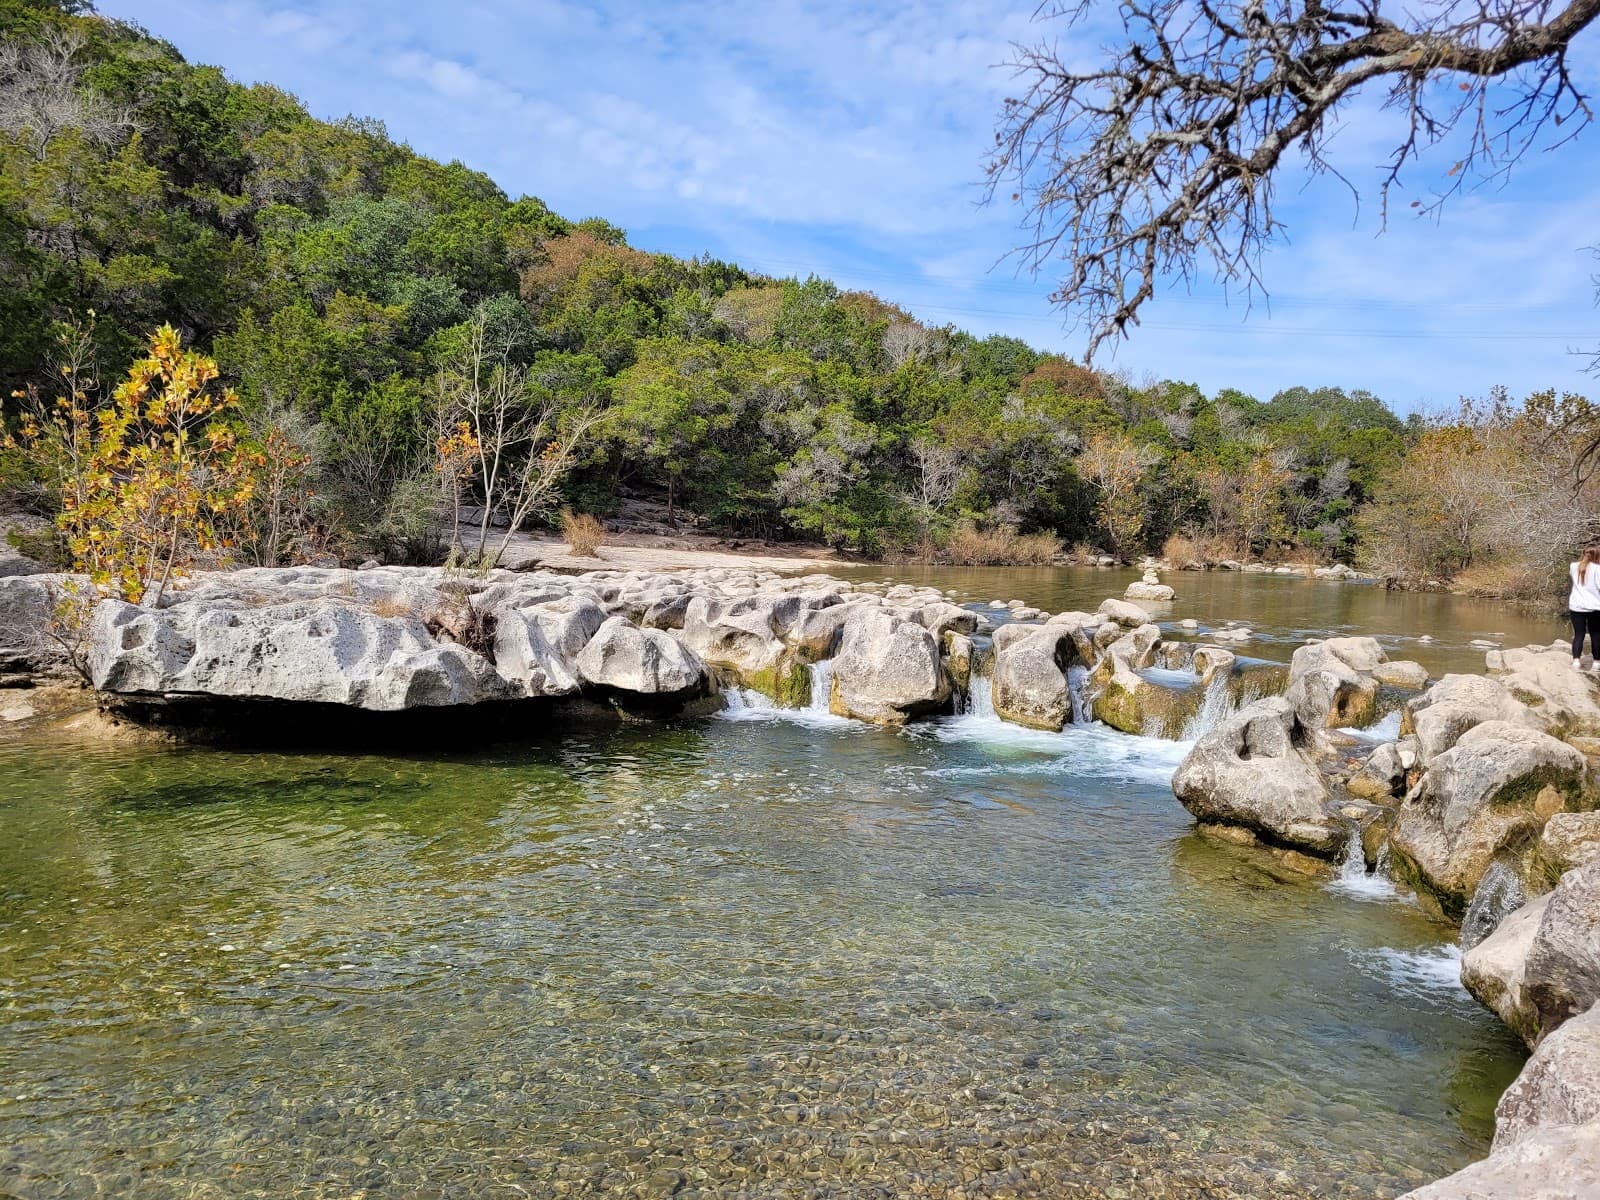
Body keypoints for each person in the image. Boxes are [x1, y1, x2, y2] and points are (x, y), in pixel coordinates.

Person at [1570, 546, 1600, 670]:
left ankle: (1576, 661)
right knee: (1596, 635)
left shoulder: (1573, 566)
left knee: (1578, 634)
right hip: (1594, 606)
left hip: (1576, 606)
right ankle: (1596, 663)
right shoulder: (1598, 569)